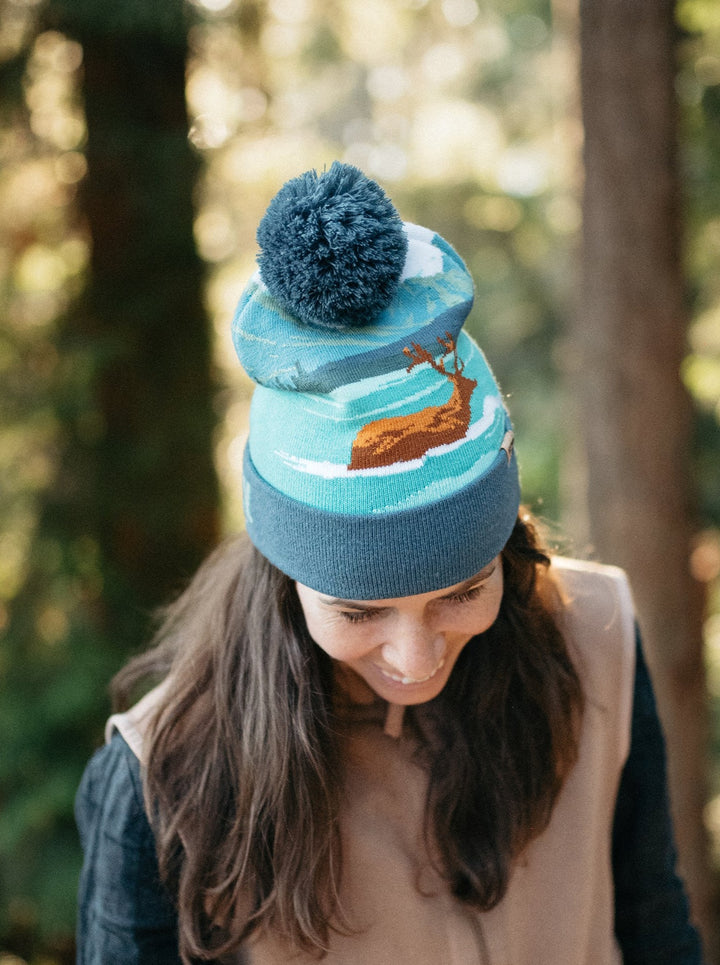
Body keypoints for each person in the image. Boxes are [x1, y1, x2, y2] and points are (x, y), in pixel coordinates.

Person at [75, 163, 703, 965]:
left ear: (506, 551)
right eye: (360, 611)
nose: (416, 656)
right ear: (286, 576)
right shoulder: (166, 775)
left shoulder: (602, 640)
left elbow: (655, 926)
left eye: (464, 592)